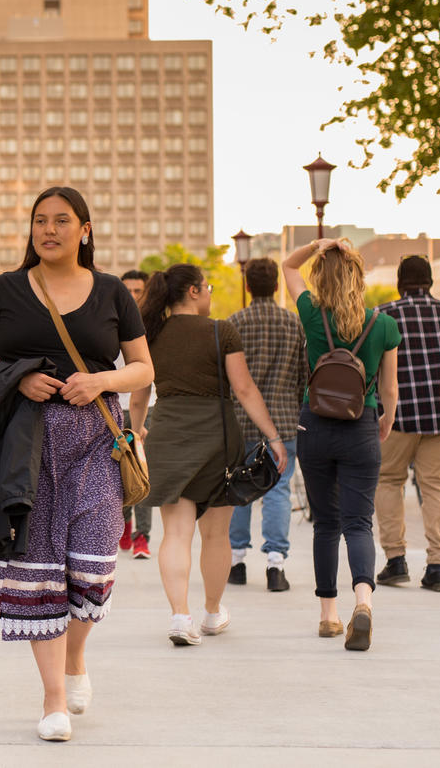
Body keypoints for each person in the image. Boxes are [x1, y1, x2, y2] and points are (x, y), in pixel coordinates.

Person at [0, 186, 152, 742]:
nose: (49, 229)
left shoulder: (113, 292)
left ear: (84, 230)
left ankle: (75, 660)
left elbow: (142, 368)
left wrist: (102, 380)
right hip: (26, 444)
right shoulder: (6, 289)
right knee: (38, 568)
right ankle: (53, 699)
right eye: (40, 221)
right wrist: (17, 375)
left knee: (92, 566)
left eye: (62, 221)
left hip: (97, 439)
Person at [130, 264, 287, 647]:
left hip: (167, 434)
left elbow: (138, 395)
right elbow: (245, 390)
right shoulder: (221, 331)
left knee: (176, 533)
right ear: (195, 292)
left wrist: (135, 434)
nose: (211, 293)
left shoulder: (150, 334)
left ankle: (180, 617)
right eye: (209, 287)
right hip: (218, 438)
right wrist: (274, 437)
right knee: (216, 534)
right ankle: (213, 613)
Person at [283, 238, 400, 651]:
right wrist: (383, 421)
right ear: (359, 278)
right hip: (361, 426)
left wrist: (319, 244)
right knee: (358, 522)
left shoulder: (313, 315)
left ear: (321, 280)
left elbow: (288, 266)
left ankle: (328, 615)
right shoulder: (383, 324)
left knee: (326, 523)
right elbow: (389, 388)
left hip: (314, 425)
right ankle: (363, 602)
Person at [373, 255, 440, 593]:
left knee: (389, 481)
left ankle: (396, 560)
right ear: (430, 282)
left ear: (399, 283)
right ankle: (438, 567)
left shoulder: (382, 316)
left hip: (396, 418)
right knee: (438, 485)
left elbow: (369, 365)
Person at [227, 258, 308, 592]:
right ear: (277, 285)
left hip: (240, 421)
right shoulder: (294, 324)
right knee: (278, 489)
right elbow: (304, 375)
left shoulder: (234, 323)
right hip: (284, 421)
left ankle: (237, 561)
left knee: (238, 488)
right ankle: (276, 564)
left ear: (248, 286)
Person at [116, 269, 153, 560]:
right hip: (115, 408)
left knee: (143, 471)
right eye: (126, 290)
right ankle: (124, 523)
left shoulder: (152, 327)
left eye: (138, 290)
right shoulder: (109, 323)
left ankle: (143, 536)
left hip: (148, 407)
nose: (132, 296)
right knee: (118, 471)